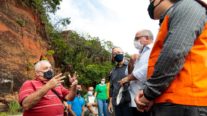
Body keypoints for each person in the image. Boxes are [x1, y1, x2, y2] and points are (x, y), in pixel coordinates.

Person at [135, 0, 207, 116]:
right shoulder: (172, 17)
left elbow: (174, 54)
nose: (150, 5)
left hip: (185, 103)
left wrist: (149, 93)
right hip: (173, 101)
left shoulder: (188, 6)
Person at [119, 30, 153, 116]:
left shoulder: (153, 50)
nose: (135, 41)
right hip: (132, 99)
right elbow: (128, 73)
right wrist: (131, 62)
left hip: (144, 99)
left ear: (147, 38)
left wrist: (128, 78)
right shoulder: (139, 53)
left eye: (137, 38)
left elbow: (148, 68)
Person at [108, 47, 132, 116]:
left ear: (123, 53)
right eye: (114, 53)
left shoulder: (131, 66)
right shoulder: (113, 71)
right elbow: (111, 88)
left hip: (129, 102)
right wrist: (110, 102)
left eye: (118, 52)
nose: (117, 54)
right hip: (117, 103)